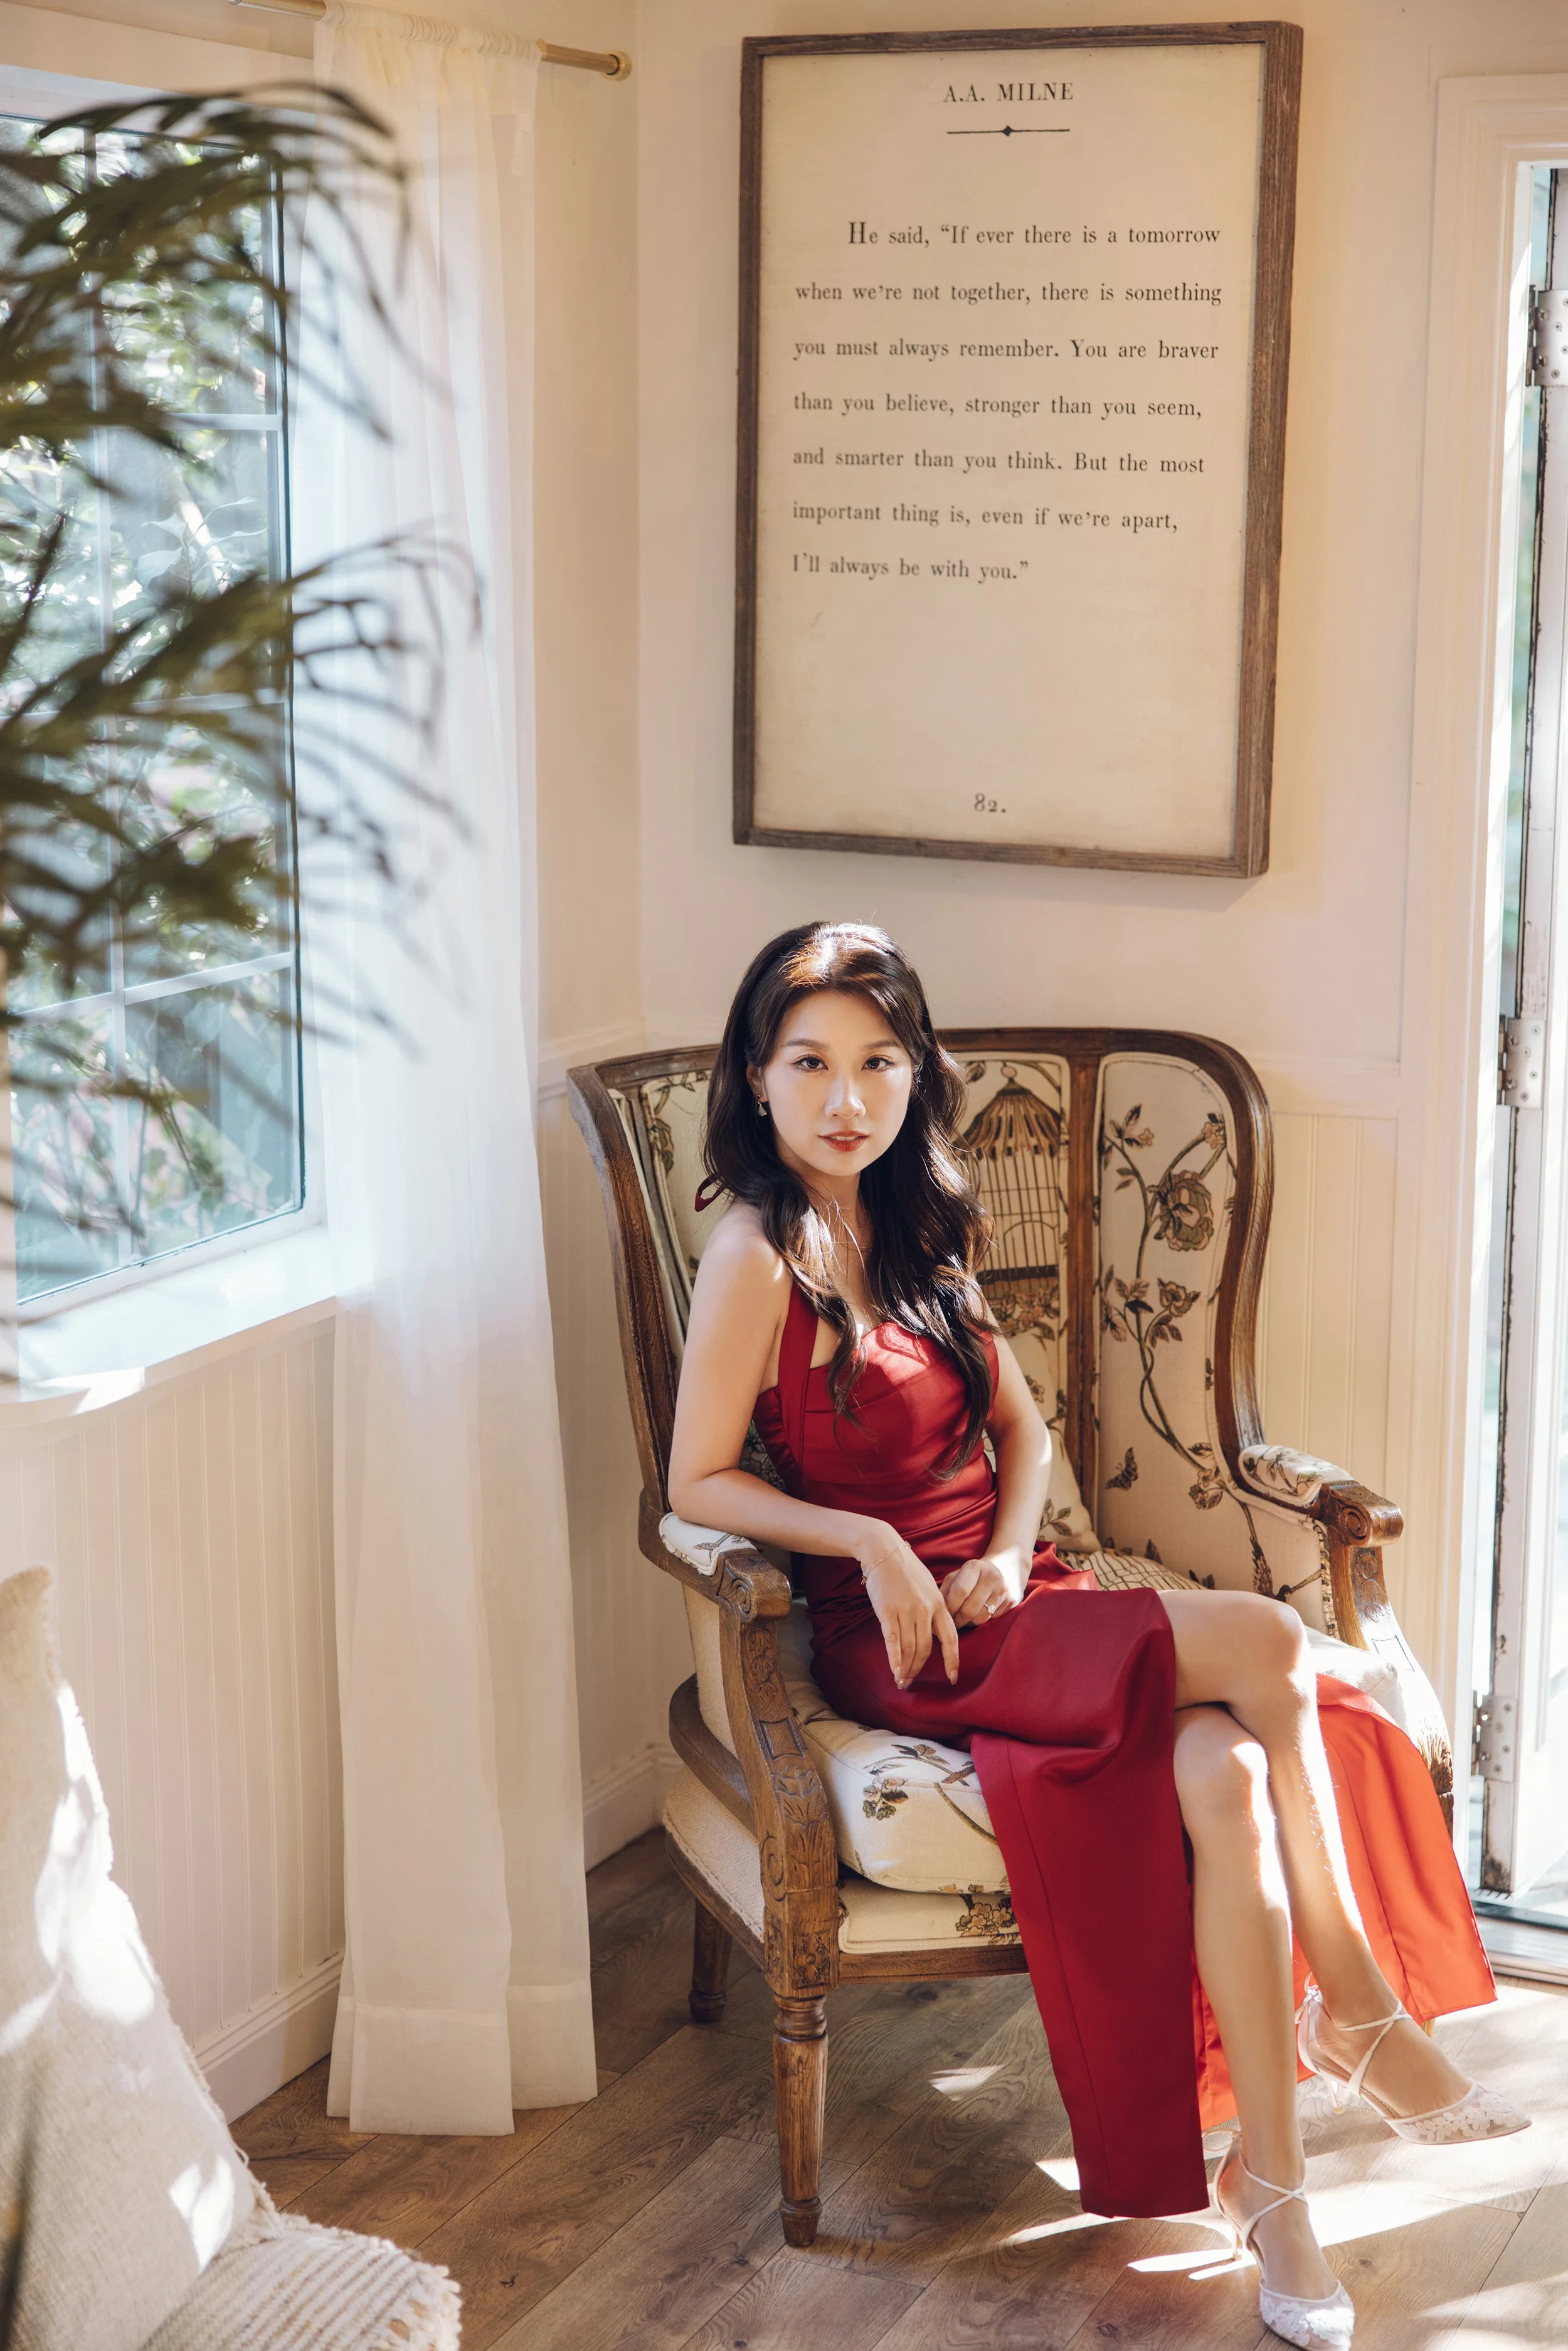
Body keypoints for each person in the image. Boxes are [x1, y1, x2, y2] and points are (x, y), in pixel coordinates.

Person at [667, 920, 1525, 2351]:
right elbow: (696, 1478)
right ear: (755, 1079)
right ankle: (1361, 2008)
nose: (844, 1097)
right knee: (1260, 1638)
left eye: (878, 1062)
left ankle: (1272, 2188)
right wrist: (871, 1540)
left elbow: (1022, 1423)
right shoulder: (757, 1254)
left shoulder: (925, 1217)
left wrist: (1009, 1549)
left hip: (1017, 1598)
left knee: (1227, 1778)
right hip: (905, 1640)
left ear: (913, 1074)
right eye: (808, 1061)